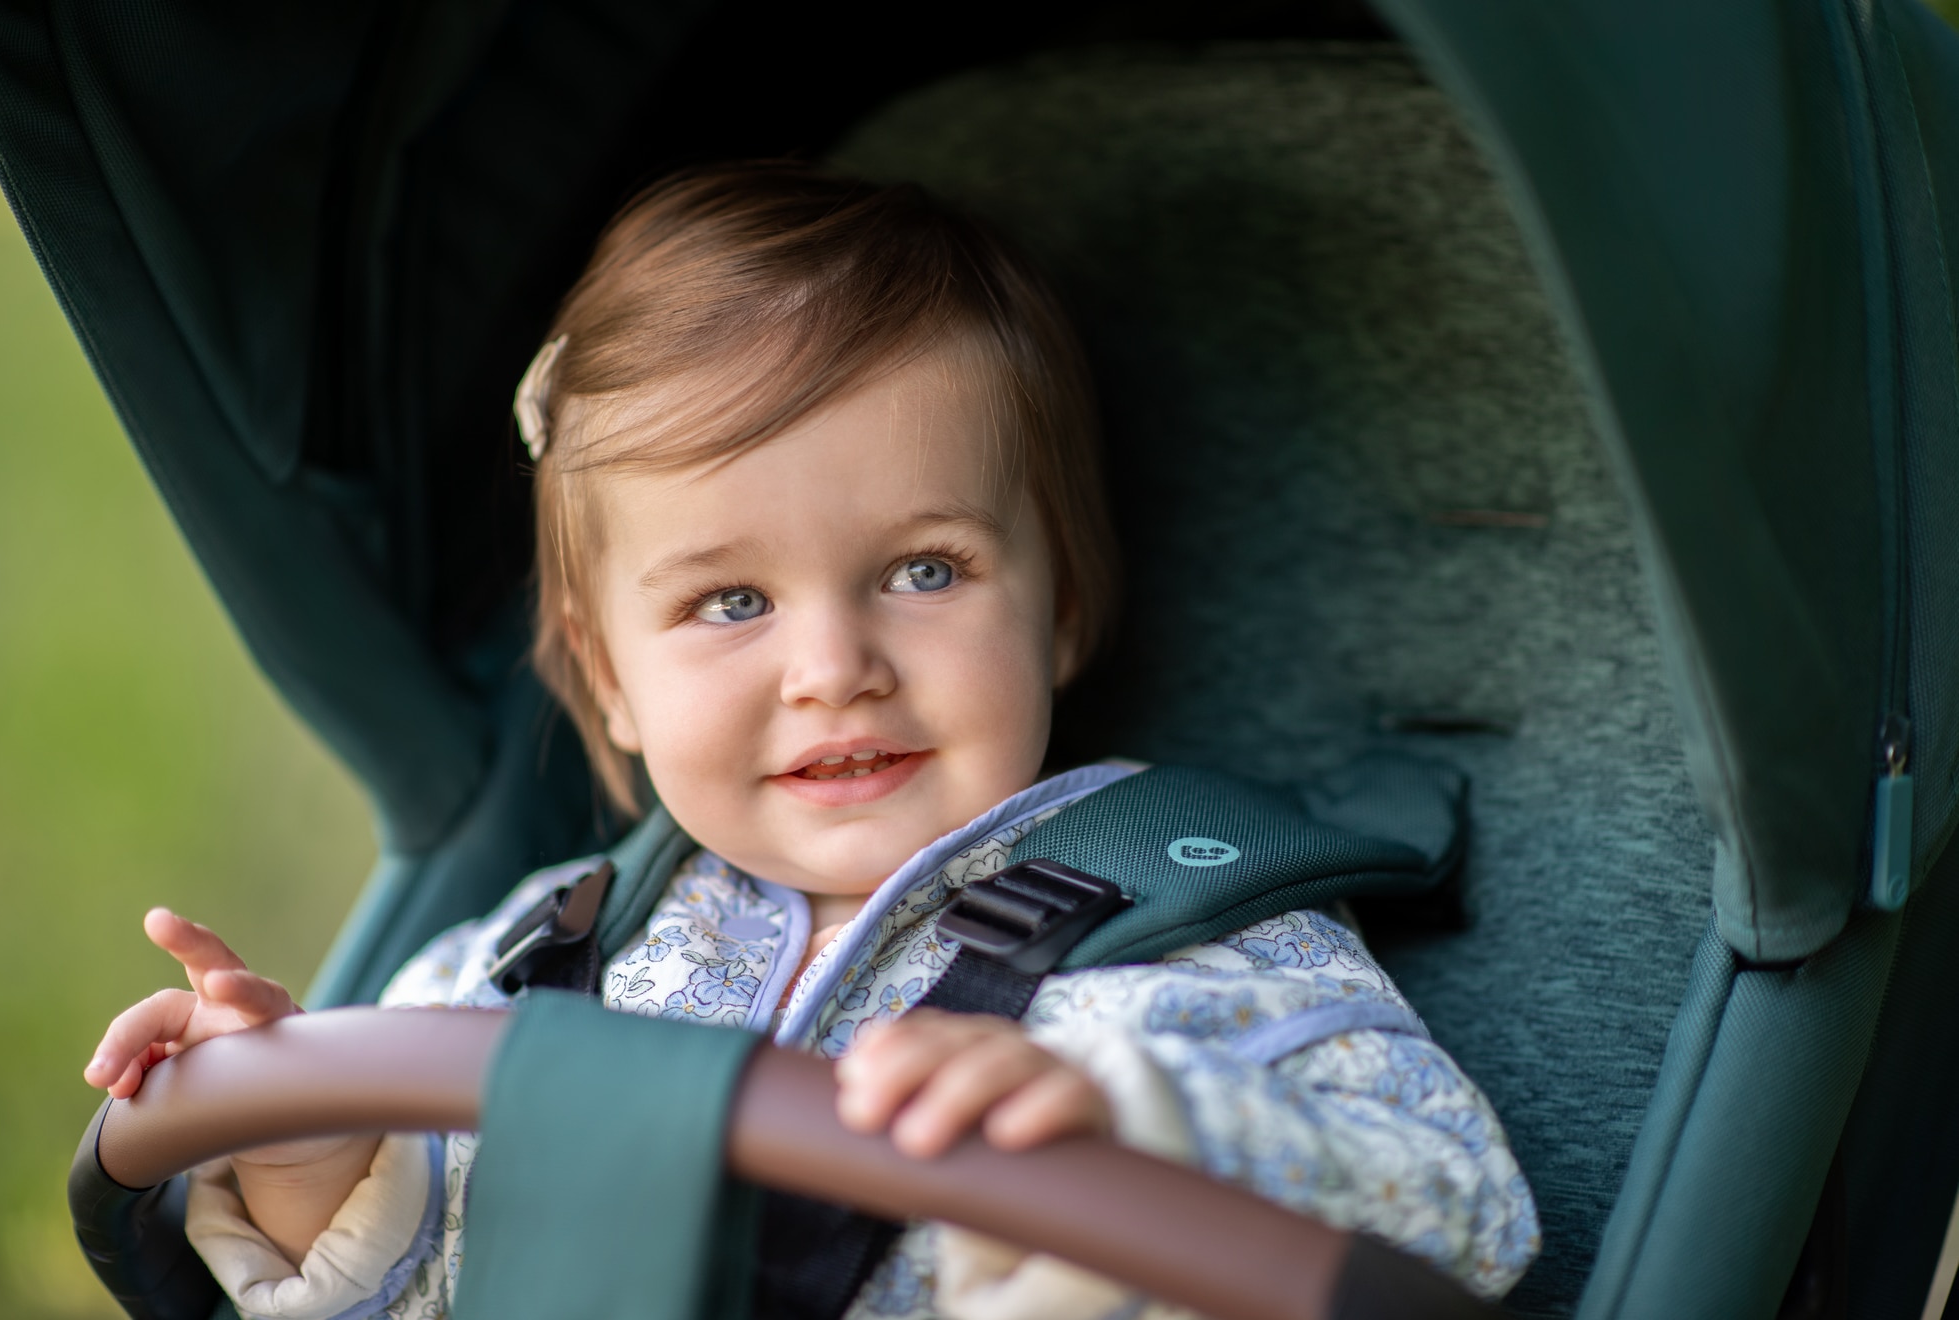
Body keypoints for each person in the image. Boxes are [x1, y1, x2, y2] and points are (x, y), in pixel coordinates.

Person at [83, 162, 1540, 1320]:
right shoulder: (526, 962)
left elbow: (1461, 1216)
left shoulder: (1187, 943)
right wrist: (307, 1151)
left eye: (925, 572)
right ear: (609, 682)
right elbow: (423, 1291)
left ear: (1066, 609)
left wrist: (1137, 1123)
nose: (834, 669)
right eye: (729, 601)